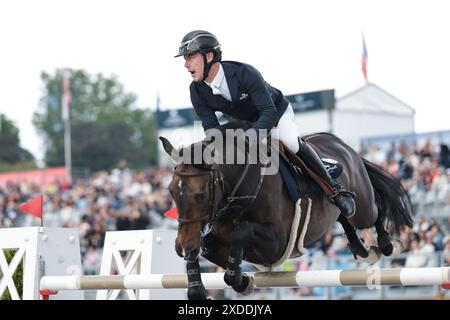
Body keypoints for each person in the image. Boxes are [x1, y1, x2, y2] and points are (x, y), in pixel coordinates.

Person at [174, 30, 356, 218]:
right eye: (185, 59)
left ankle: (335, 190)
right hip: (245, 123)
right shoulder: (196, 91)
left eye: (190, 57)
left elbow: (268, 111)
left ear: (209, 56)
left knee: (291, 142)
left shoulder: (244, 73)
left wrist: (253, 136)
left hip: (276, 114)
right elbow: (212, 129)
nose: (186, 64)